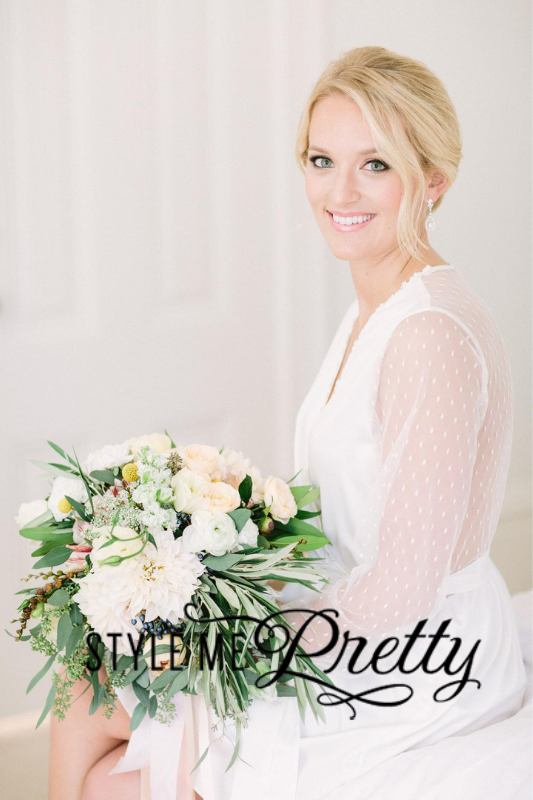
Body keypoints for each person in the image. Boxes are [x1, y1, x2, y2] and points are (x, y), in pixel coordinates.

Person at [49, 45, 528, 800]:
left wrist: (223, 644)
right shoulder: (378, 303)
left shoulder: (427, 333)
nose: (340, 190)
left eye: (376, 165)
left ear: (431, 180)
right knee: (86, 696)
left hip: (412, 660)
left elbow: (401, 592)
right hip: (352, 625)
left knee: (102, 746)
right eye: (320, 159)